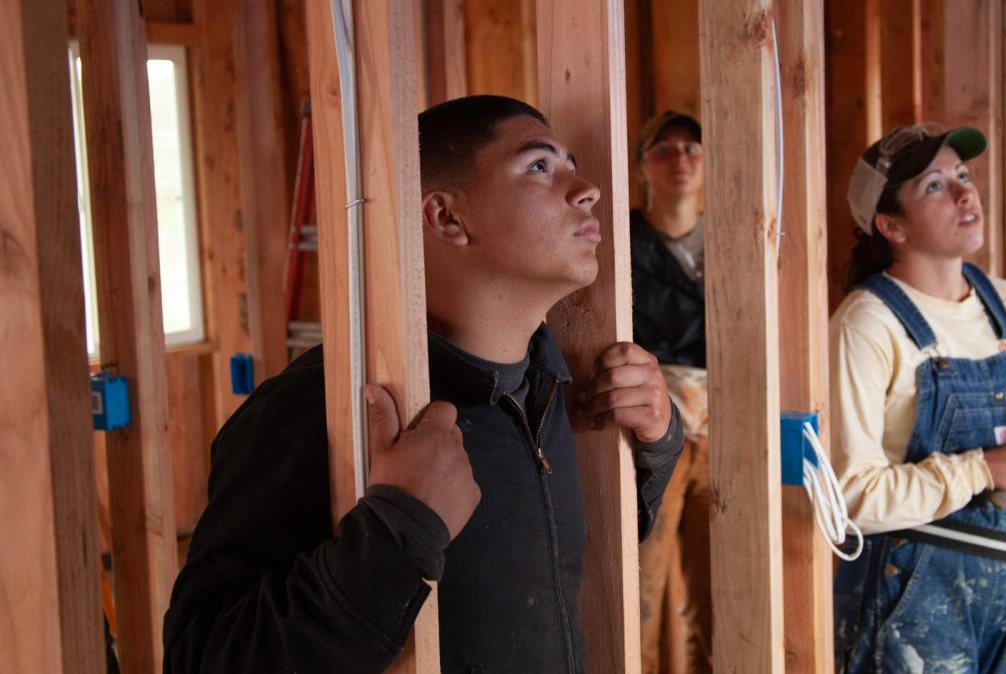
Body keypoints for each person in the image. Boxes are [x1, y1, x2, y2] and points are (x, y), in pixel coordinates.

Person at [163, 95, 685, 674]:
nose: (586, 187)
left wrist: (656, 446)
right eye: (540, 167)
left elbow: (559, 561)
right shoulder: (318, 410)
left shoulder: (552, 388)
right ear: (445, 218)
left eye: (570, 163)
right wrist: (398, 530)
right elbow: (202, 657)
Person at [829, 123, 1006, 672]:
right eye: (935, 186)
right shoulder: (867, 324)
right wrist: (983, 470)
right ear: (890, 224)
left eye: (963, 176)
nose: (967, 194)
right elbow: (851, 500)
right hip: (908, 602)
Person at [629, 111, 713, 674]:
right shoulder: (624, 240)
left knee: (725, 592)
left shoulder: (736, 234)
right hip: (651, 435)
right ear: (642, 167)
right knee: (643, 589)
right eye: (664, 151)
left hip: (727, 427)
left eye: (691, 149)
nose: (680, 160)